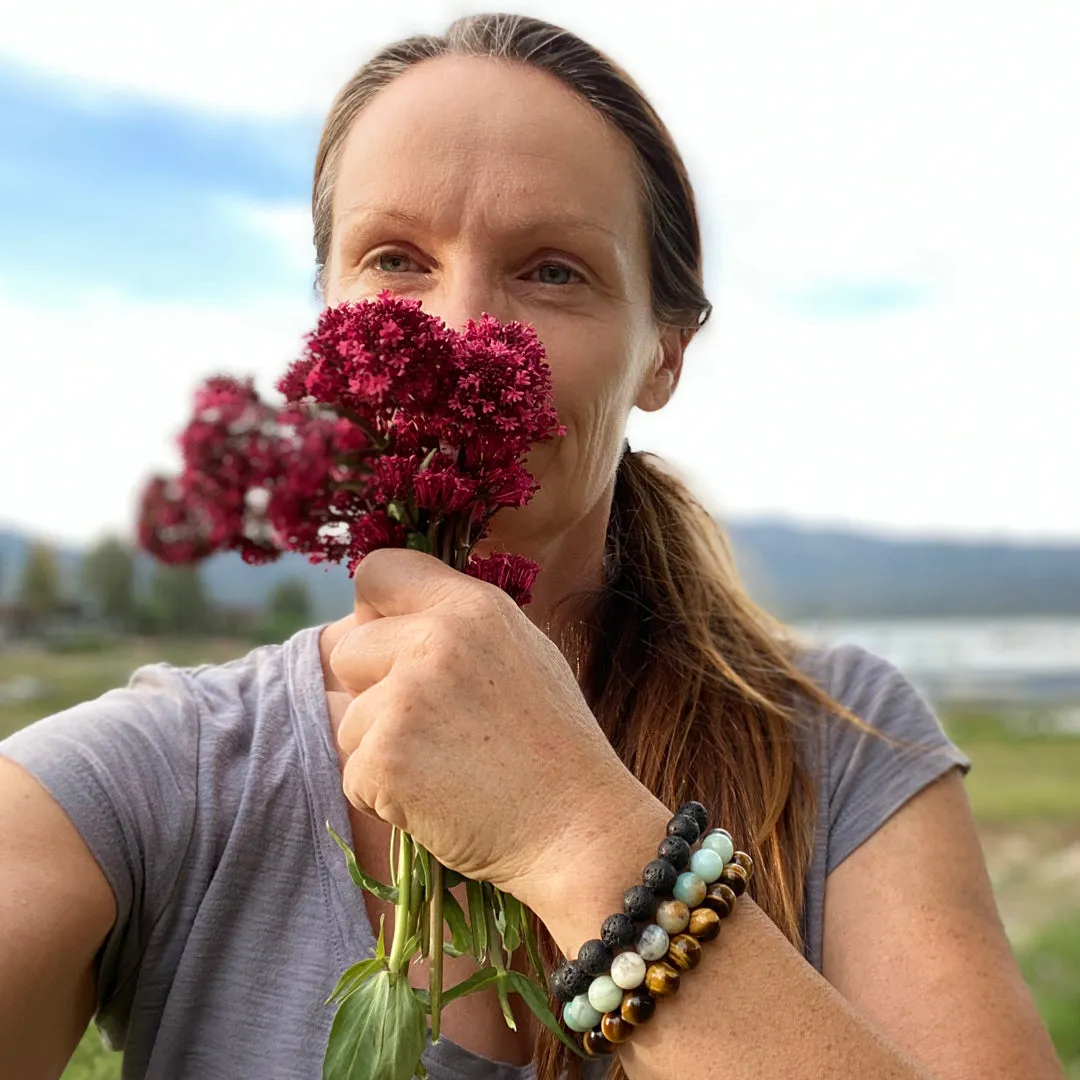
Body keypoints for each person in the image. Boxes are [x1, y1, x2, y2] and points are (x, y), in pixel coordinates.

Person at [0, 13, 1063, 1080]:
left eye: (553, 272)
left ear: (664, 355)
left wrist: (574, 830)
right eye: (395, 258)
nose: (462, 328)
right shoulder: (158, 776)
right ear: (326, 313)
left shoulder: (847, 743)